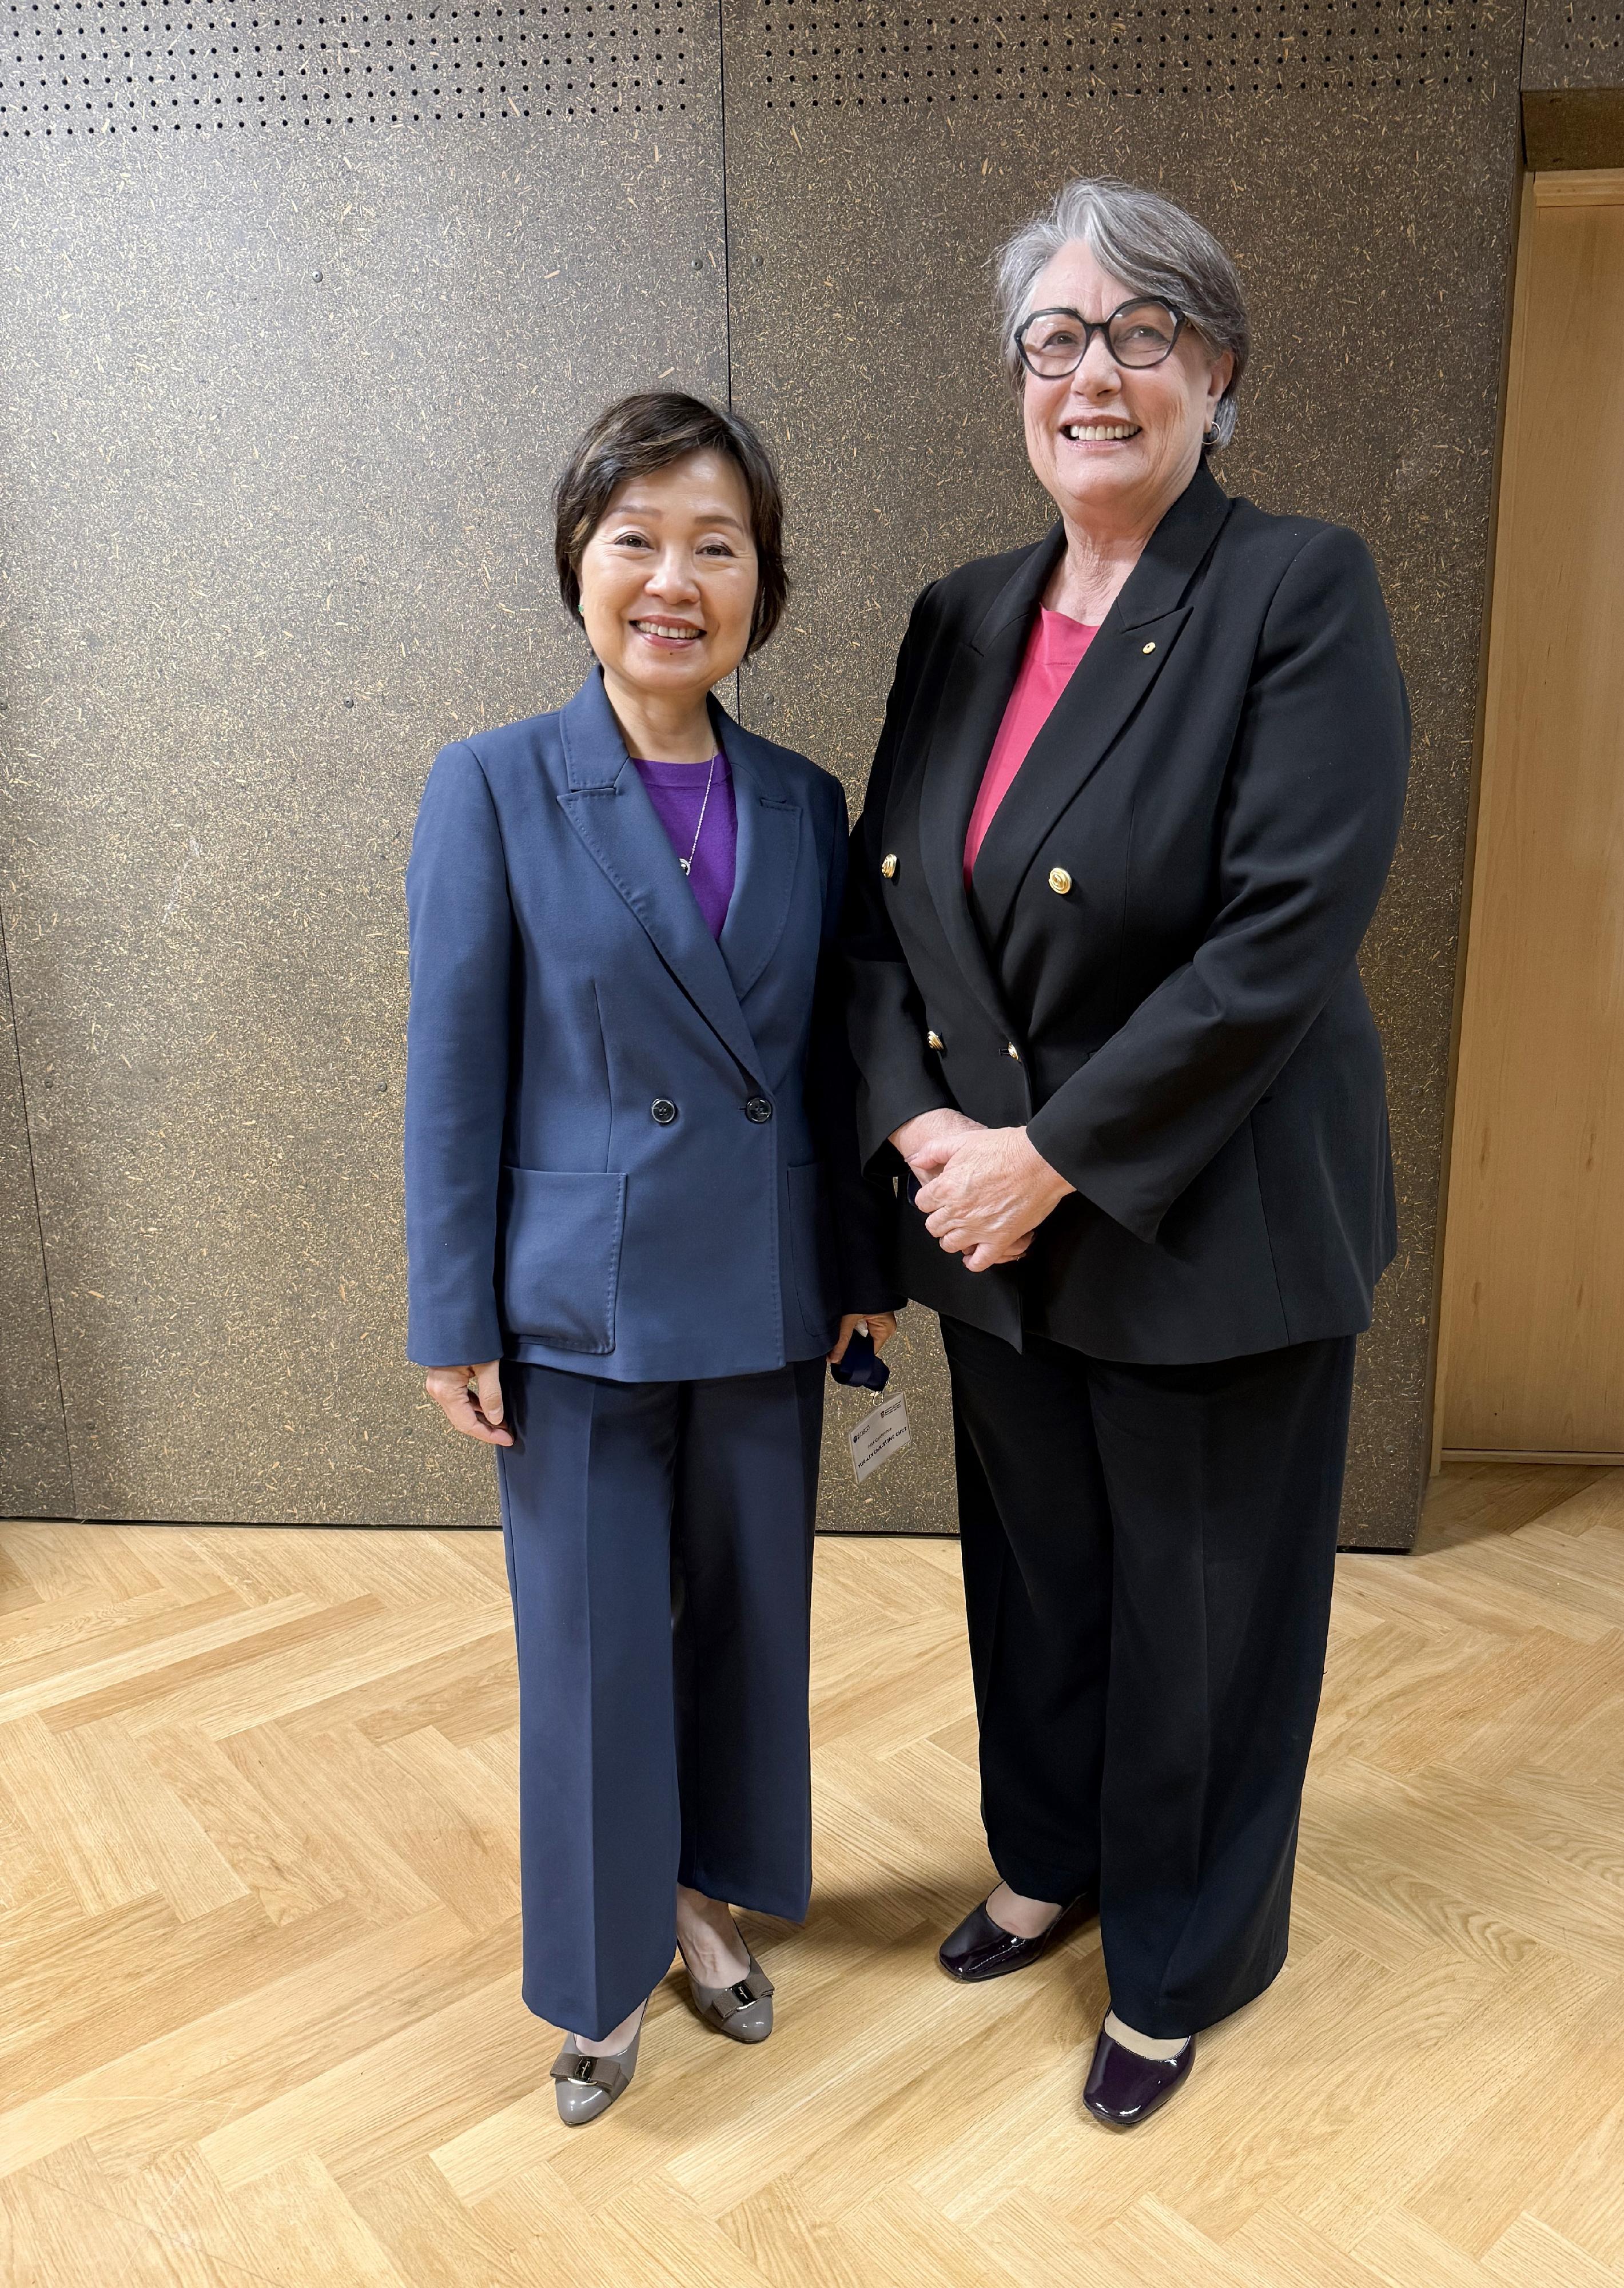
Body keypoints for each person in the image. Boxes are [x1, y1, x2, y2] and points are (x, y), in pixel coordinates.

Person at [842, 179, 1410, 2130]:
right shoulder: (958, 615)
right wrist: (923, 1132)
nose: (1095, 373)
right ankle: (1050, 1855)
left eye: (1142, 331)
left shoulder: (1292, 588)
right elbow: (883, 913)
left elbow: (1281, 938)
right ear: (1018, 380)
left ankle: (1178, 1956)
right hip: (992, 1225)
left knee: (1205, 1619)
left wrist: (1050, 1156)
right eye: (1057, 339)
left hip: (1204, 1220)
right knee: (1043, 1583)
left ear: (1216, 372)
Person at [405, 391, 897, 2124]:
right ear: (578, 564)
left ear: (762, 579)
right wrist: (448, 1312)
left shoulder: (805, 797)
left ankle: (704, 1900)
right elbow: (454, 1060)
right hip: (574, 1307)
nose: (673, 580)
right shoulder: (491, 783)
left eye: (717, 545)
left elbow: (836, 1062)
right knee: (595, 1645)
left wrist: (857, 1265)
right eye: (637, 540)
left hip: (763, 1289)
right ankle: (599, 1972)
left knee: (747, 1622)